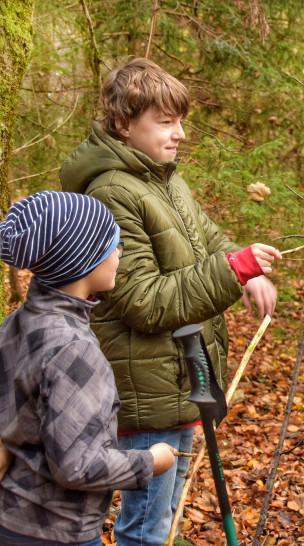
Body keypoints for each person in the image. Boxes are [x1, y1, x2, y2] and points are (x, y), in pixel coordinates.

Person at [59, 58, 281, 546]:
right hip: (144, 389)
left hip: (180, 379)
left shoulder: (165, 180)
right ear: (123, 124)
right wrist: (232, 271)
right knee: (146, 526)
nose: (179, 133)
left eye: (181, 120)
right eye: (165, 122)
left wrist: (246, 273)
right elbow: (142, 300)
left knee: (163, 514)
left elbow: (210, 241)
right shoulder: (113, 192)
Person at [0, 191, 177, 545]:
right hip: (56, 530)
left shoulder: (17, 321)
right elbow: (77, 466)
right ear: (83, 261)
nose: (120, 253)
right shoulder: (74, 350)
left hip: (10, 517)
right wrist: (149, 462)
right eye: (113, 244)